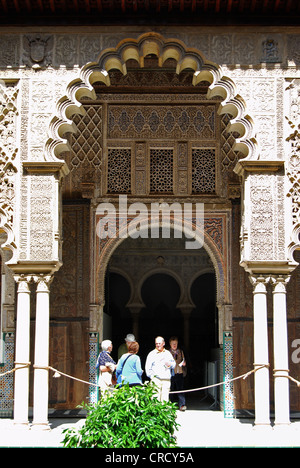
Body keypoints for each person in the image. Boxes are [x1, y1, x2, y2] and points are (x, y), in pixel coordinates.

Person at [145, 336, 175, 402]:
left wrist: (169, 364)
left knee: (165, 400)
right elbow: (148, 369)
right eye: (156, 343)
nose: (158, 345)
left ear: (163, 343)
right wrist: (153, 377)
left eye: (159, 343)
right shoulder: (151, 354)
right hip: (156, 380)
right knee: (155, 399)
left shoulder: (168, 353)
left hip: (166, 379)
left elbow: (174, 364)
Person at [169, 336, 187, 411]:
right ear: (170, 344)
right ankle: (170, 405)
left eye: (175, 343)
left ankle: (182, 405)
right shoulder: (167, 353)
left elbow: (184, 361)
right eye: (173, 344)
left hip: (179, 372)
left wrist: (184, 363)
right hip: (171, 373)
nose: (174, 345)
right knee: (171, 389)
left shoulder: (180, 352)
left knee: (180, 389)